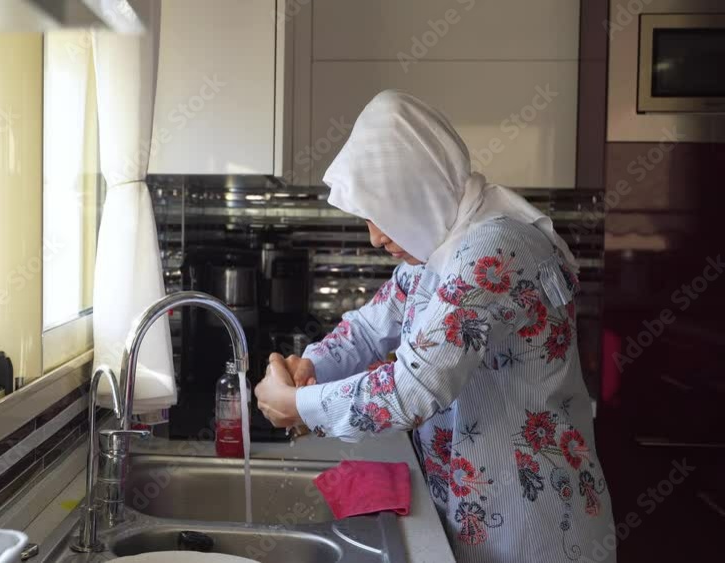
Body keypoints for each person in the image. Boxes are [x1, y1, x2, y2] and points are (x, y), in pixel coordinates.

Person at [254, 91, 614, 562]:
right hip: (473, 514)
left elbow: (414, 388)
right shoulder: (441, 242)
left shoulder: (493, 250)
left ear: (417, 189)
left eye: (381, 214)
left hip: (535, 528)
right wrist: (311, 366)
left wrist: (298, 404)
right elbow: (368, 328)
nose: (376, 237)